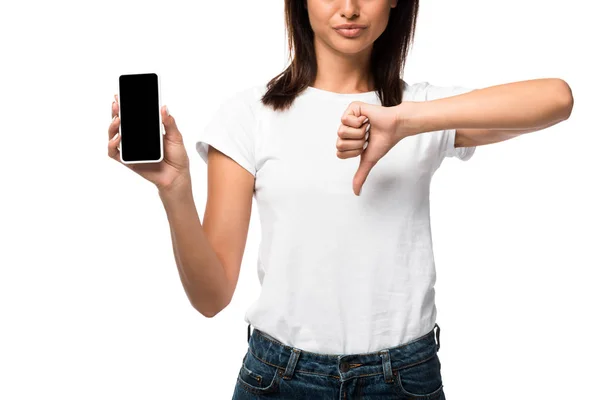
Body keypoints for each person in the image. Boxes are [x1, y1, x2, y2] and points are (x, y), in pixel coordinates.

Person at [106, 1, 573, 398]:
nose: (349, 7)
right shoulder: (249, 116)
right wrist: (176, 190)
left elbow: (556, 98)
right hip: (278, 377)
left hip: (404, 378)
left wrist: (407, 120)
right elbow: (211, 298)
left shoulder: (423, 110)